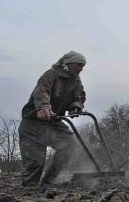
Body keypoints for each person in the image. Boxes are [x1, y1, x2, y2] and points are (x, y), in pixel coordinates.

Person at [18, 51, 87, 187]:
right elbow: (42, 90)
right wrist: (43, 107)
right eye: (79, 64)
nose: (81, 68)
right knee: (35, 162)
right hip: (33, 124)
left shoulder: (76, 81)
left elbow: (79, 97)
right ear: (67, 63)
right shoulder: (51, 74)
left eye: (83, 66)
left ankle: (48, 182)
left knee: (71, 146)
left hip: (53, 122)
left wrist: (75, 107)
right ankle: (29, 190)